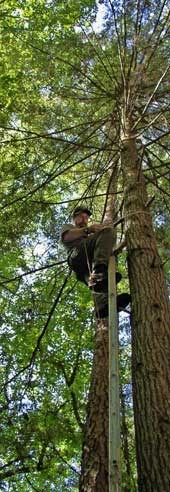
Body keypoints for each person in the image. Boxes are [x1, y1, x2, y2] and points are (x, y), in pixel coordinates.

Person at [61, 206, 130, 318]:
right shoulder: (70, 227)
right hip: (76, 256)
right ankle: (99, 272)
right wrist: (88, 230)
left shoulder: (90, 237)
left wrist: (121, 247)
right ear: (74, 218)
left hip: (84, 267)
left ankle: (102, 304)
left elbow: (103, 250)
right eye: (81, 217)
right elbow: (67, 237)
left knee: (96, 280)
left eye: (86, 218)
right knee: (107, 232)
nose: (84, 220)